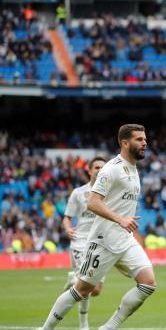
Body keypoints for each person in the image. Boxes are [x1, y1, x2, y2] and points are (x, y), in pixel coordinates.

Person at [40, 124, 156, 330]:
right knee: (82, 290)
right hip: (103, 241)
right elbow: (92, 202)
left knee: (148, 283)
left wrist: (124, 220)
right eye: (139, 139)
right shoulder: (111, 169)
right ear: (125, 143)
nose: (144, 142)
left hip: (124, 239)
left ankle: (108, 327)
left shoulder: (133, 168)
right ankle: (46, 328)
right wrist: (120, 218)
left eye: (145, 139)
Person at [61, 156, 106, 330]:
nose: (100, 170)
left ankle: (73, 279)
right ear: (89, 170)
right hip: (80, 243)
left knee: (96, 291)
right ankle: (83, 324)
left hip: (101, 243)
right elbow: (67, 217)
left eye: (103, 167)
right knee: (86, 287)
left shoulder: (110, 193)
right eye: (96, 167)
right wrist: (67, 228)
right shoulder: (78, 193)